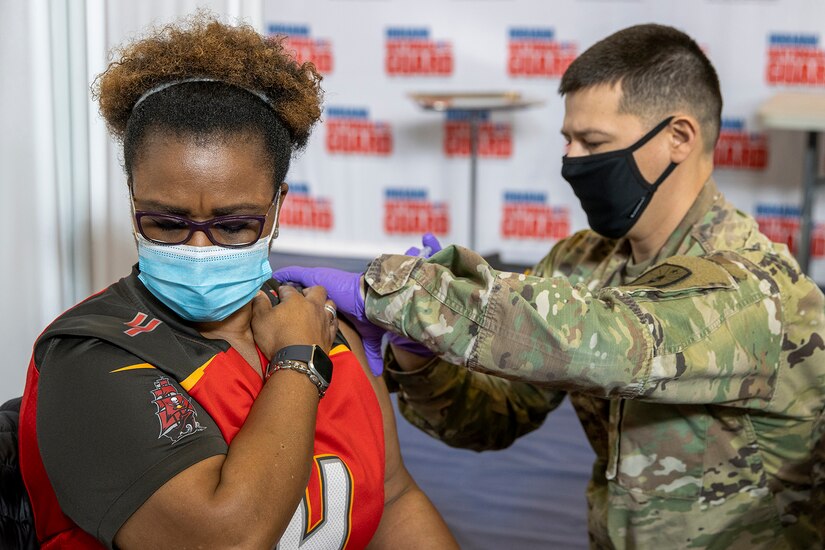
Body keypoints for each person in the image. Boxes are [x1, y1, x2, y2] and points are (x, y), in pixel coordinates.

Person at [275, 24, 825, 548]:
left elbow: (609, 341)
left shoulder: (754, 287)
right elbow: (494, 417)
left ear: (679, 137)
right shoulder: (582, 262)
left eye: (593, 141)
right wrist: (423, 357)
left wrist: (403, 292)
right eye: (568, 140)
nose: (571, 162)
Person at [17, 15, 457, 550]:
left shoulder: (323, 323)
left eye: (232, 225)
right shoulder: (92, 354)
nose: (198, 248)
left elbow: (393, 499)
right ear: (134, 204)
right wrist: (298, 361)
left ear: (276, 209)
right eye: (166, 222)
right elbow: (226, 539)